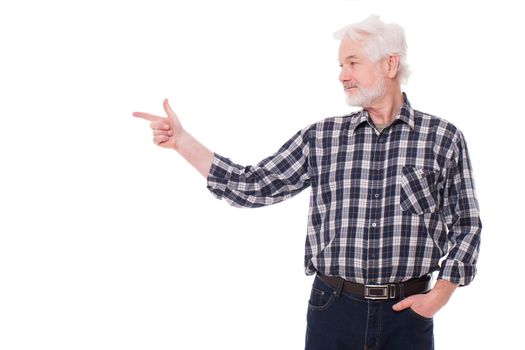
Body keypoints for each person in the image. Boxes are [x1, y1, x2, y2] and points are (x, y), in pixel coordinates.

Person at [133, 15, 481, 350]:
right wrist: (182, 142)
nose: (342, 75)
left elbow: (466, 224)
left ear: (389, 65)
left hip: (407, 314)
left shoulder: (442, 138)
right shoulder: (322, 137)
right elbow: (253, 185)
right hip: (334, 310)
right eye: (340, 65)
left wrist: (440, 294)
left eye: (352, 62)